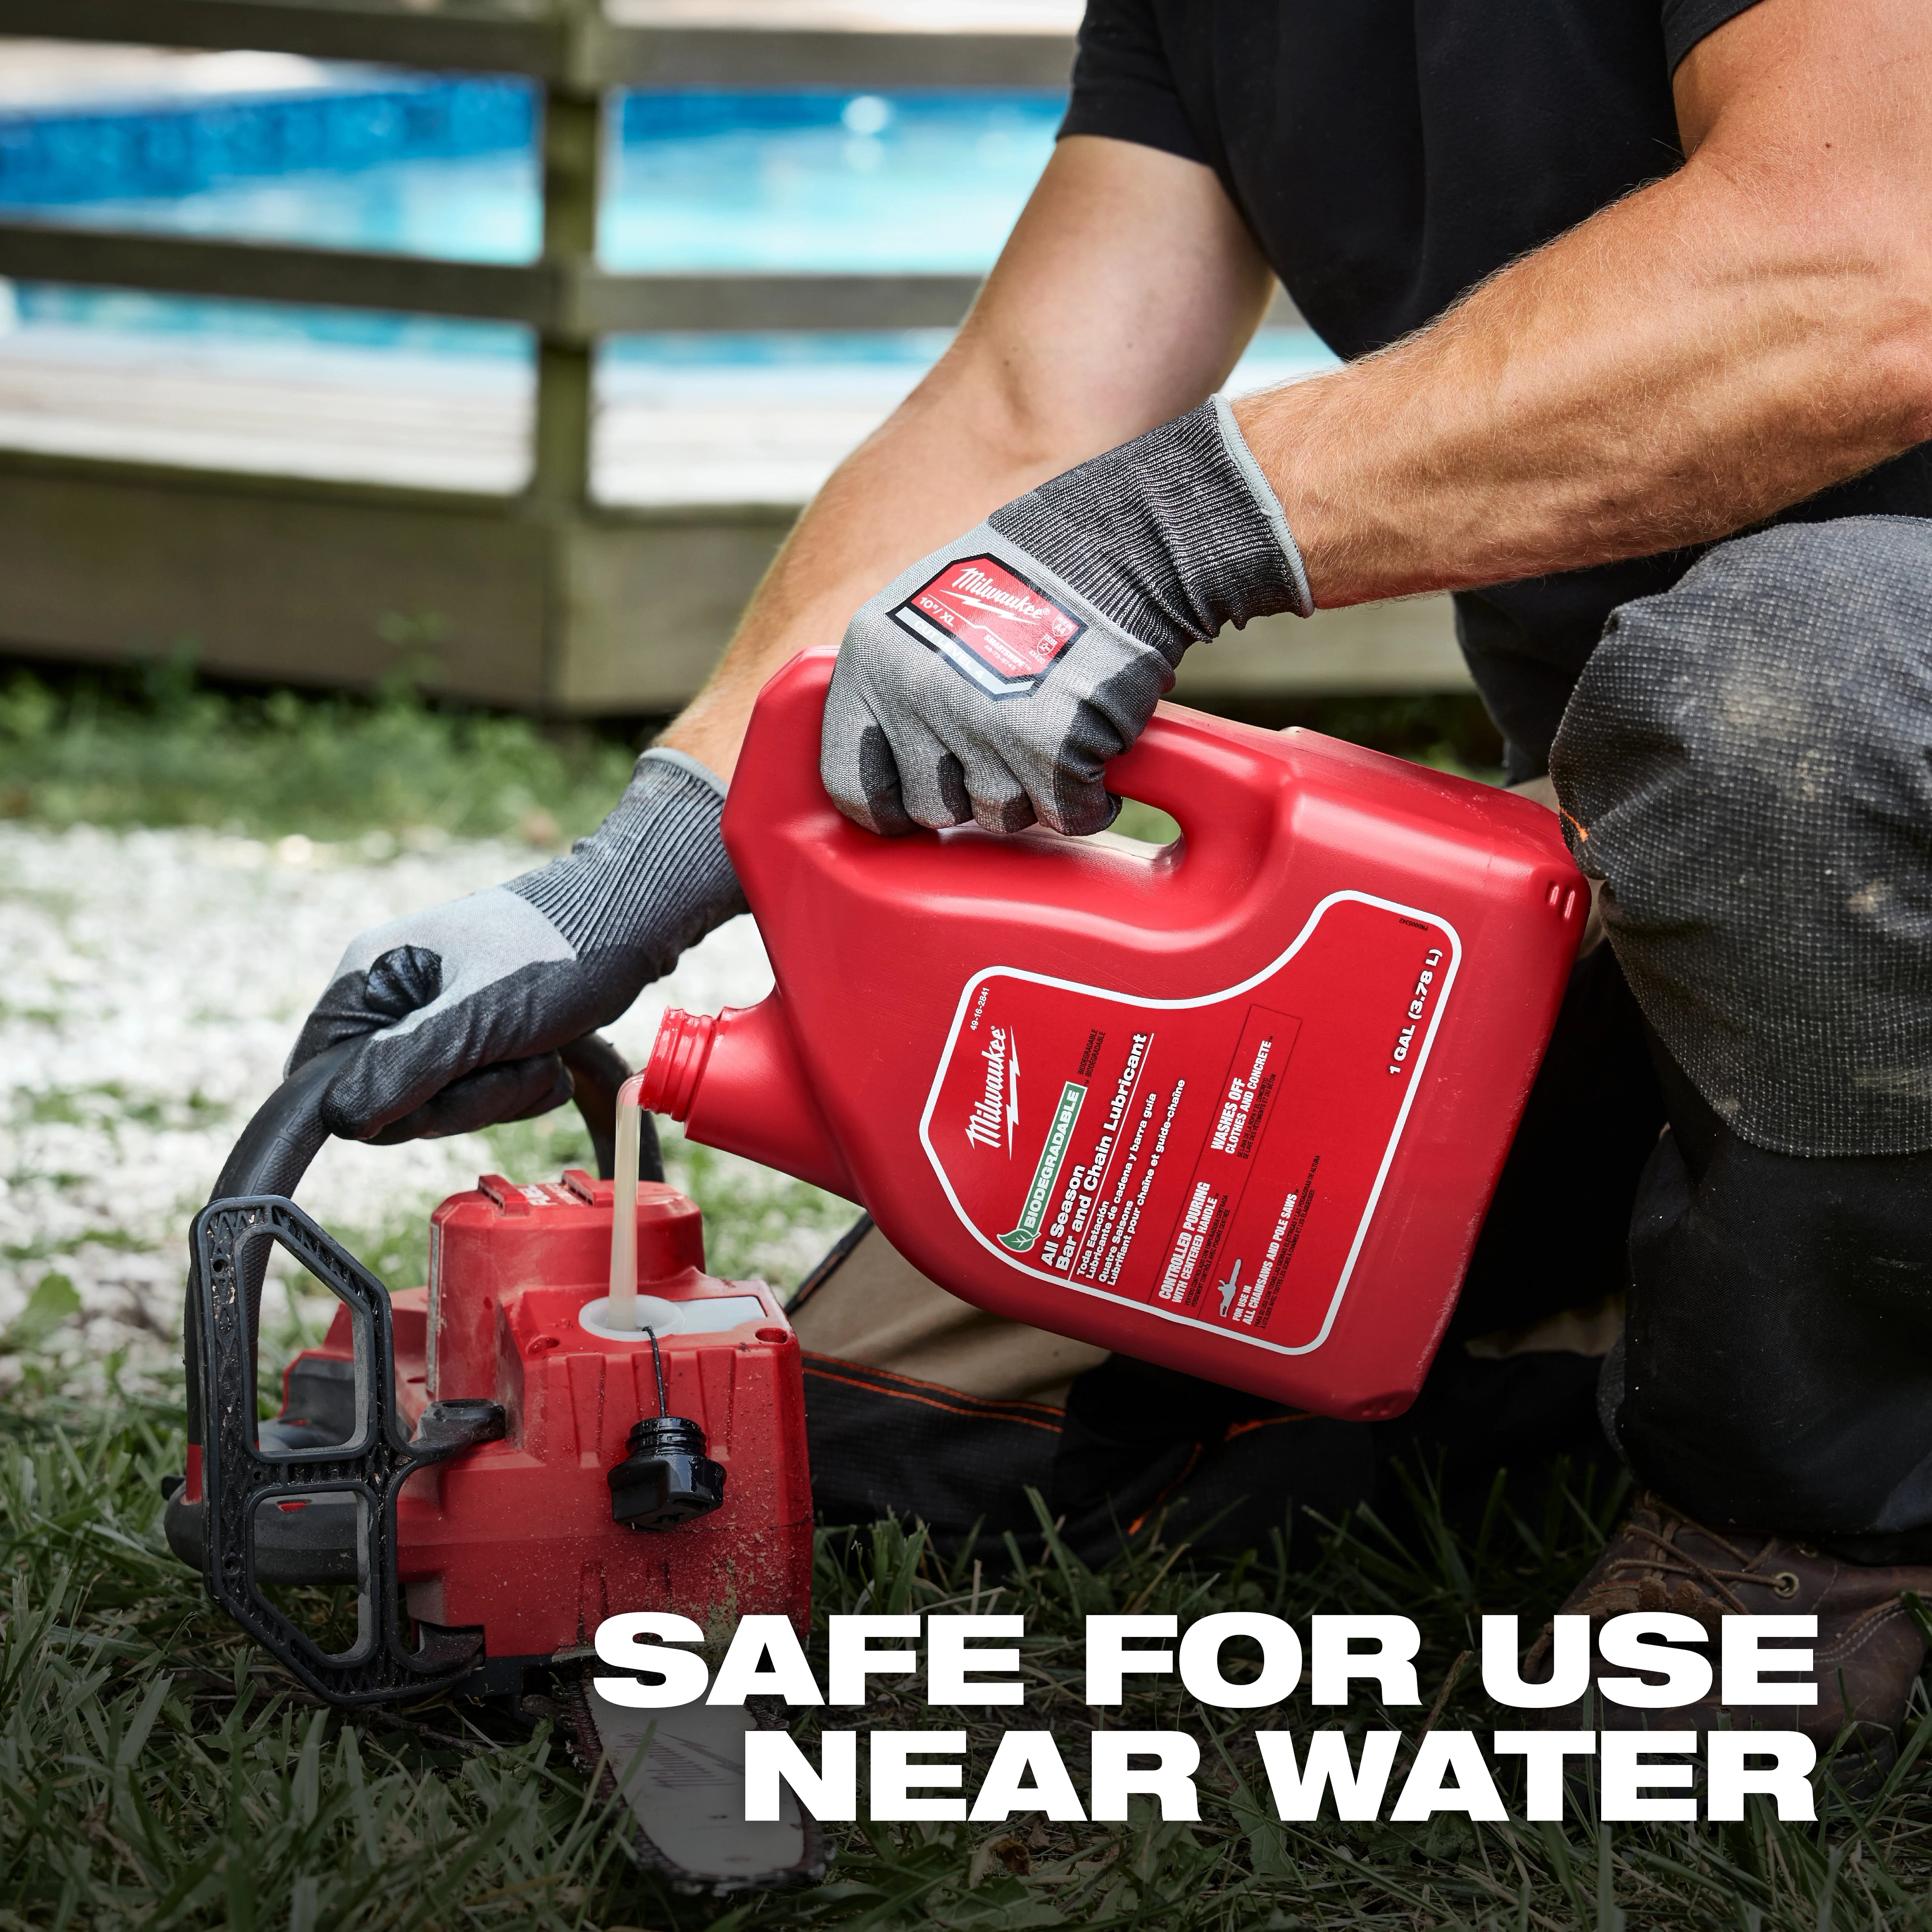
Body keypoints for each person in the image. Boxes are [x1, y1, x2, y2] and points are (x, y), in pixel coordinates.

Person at [288, 0, 1932, 1770]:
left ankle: (1797, 1533)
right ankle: (1678, 1294)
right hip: (1676, 872)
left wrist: (1150, 541)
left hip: (1839, 760)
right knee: (925, 1371)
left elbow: (1859, 258)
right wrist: (646, 867)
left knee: (1794, 680)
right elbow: (1031, 405)